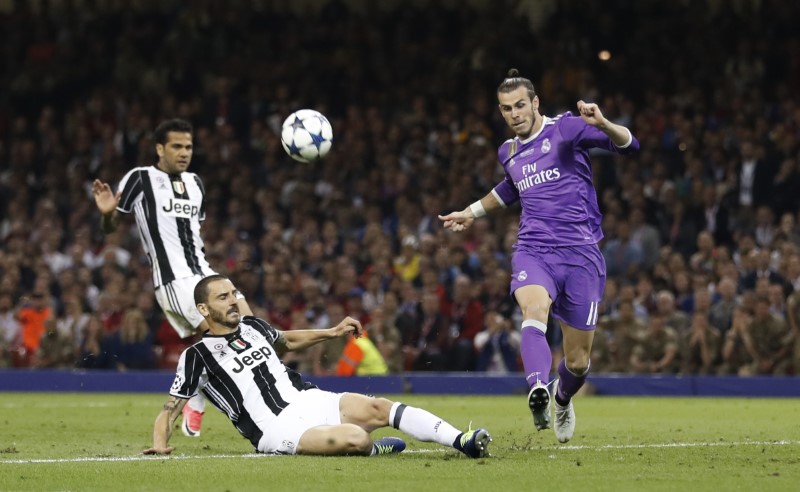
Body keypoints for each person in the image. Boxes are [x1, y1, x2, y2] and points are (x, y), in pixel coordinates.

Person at [439, 69, 639, 443]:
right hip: (534, 250)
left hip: (581, 255)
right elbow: (511, 188)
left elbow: (631, 146)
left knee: (577, 362)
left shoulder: (566, 129)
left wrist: (604, 123)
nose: (513, 114)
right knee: (534, 310)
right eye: (505, 109)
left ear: (534, 104)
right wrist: (470, 211)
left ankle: (561, 397)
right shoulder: (508, 151)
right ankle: (538, 388)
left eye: (519, 106)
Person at [143, 275, 491, 458]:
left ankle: (462, 440)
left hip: (308, 399)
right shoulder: (197, 356)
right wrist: (160, 443)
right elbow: (170, 409)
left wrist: (333, 331)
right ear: (204, 310)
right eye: (223, 297)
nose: (233, 301)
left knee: (379, 407)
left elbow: (288, 340)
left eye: (234, 293)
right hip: (274, 429)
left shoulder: (254, 327)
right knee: (356, 438)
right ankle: (375, 448)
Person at [92, 118, 253, 437]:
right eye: (177, 146)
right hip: (173, 280)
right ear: (159, 148)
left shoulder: (196, 183)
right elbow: (110, 229)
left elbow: (191, 233)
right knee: (226, 338)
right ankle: (198, 400)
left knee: (253, 333)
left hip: (207, 273)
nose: (184, 152)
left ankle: (199, 391)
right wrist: (108, 213)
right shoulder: (140, 178)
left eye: (189, 147)